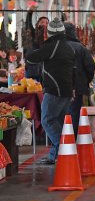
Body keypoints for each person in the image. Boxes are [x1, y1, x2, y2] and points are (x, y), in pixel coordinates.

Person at [26, 17, 75, 165]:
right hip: (66, 90)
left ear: (51, 33)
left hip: (55, 90)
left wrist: (29, 55)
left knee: (47, 120)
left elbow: (32, 58)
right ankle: (54, 156)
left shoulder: (53, 46)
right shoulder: (68, 47)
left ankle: (64, 149)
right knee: (58, 121)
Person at [64, 23, 95, 138]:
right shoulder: (81, 48)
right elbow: (90, 66)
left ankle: (60, 143)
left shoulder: (55, 47)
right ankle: (72, 141)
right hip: (77, 88)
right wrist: (85, 81)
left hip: (58, 88)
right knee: (74, 114)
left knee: (60, 115)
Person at [24, 8, 49, 81]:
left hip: (44, 68)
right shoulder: (33, 33)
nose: (44, 24)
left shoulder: (50, 37)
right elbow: (28, 24)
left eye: (47, 22)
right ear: (38, 24)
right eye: (42, 22)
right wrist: (30, 13)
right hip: (31, 68)